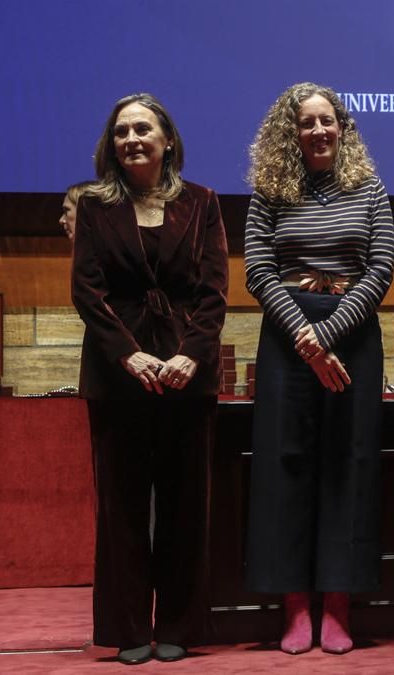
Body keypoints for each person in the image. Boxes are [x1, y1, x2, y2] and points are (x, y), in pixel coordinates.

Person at [71, 93, 228, 665]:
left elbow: (213, 292)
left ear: (167, 140)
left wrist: (190, 355)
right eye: (121, 133)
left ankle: (182, 625)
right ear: (110, 146)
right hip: (119, 376)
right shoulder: (93, 207)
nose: (131, 139)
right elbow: (87, 292)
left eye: (143, 129)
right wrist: (129, 356)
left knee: (187, 506)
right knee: (123, 507)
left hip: (189, 374)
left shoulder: (204, 203)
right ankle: (130, 627)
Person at [243, 82, 394, 656]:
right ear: (290, 132)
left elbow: (380, 269)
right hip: (287, 336)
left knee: (349, 465)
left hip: (351, 335)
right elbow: (258, 268)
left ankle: (337, 605)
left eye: (327, 121)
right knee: (287, 465)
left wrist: (326, 334)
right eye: (305, 123)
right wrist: (305, 338)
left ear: (343, 127)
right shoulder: (269, 188)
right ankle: (296, 608)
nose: (318, 131)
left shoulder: (370, 187)